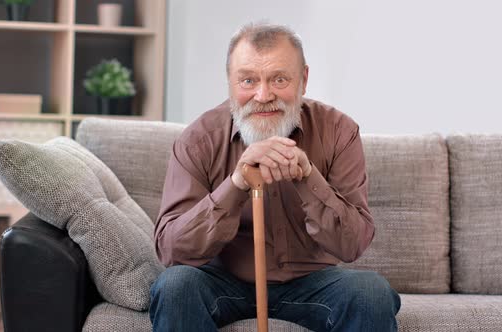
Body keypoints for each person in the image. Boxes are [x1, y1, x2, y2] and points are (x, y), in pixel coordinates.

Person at [150, 22, 401, 332]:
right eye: (248, 80)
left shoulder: (339, 132)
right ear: (230, 82)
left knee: (369, 292)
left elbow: (352, 245)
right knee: (176, 286)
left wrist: (308, 177)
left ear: (304, 80)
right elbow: (172, 251)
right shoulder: (199, 139)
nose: (263, 95)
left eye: (279, 79)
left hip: (313, 283)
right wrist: (236, 184)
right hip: (223, 282)